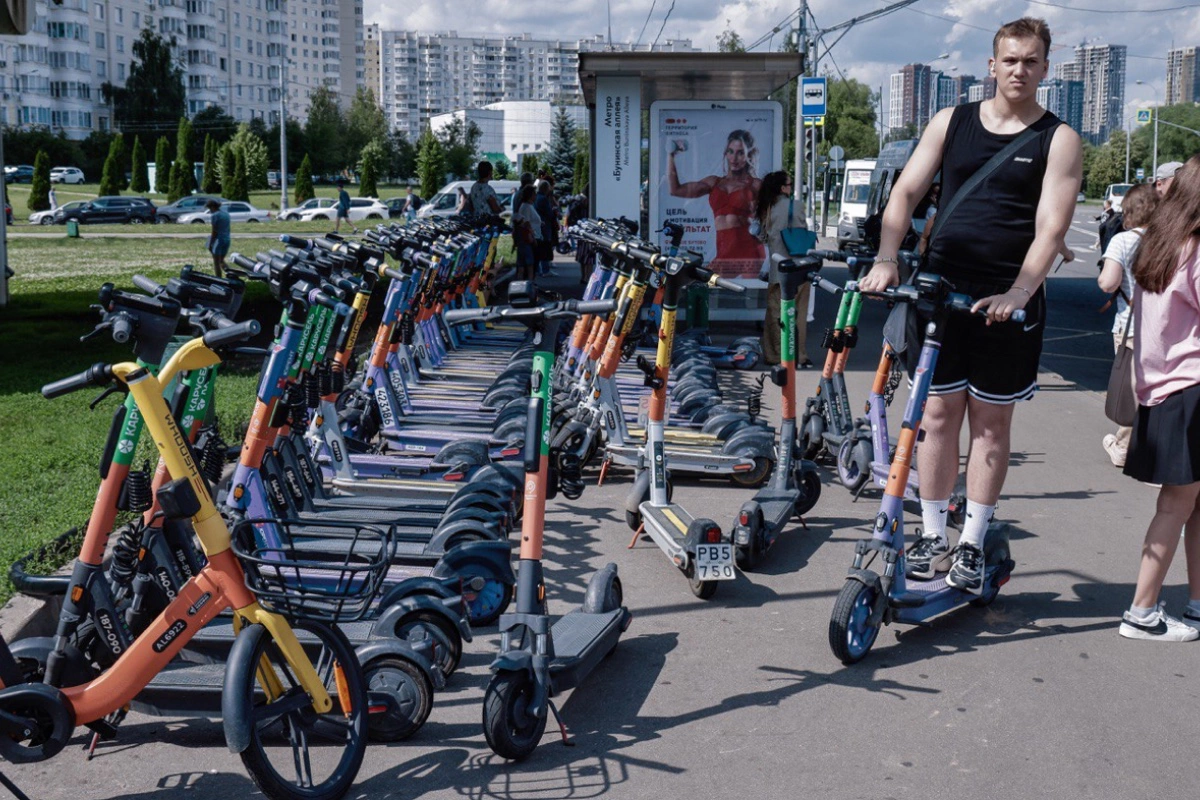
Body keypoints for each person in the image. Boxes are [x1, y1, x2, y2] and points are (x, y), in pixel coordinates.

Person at [858, 16, 1082, 593]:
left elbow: (1051, 228)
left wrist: (1018, 292)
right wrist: (887, 257)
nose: (1019, 70)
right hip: (940, 285)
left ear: (1045, 69)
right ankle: (933, 532)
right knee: (935, 417)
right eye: (1010, 59)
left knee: (990, 424)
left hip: (1007, 298)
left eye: (1031, 61)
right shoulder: (951, 121)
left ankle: (972, 542)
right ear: (992, 64)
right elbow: (906, 191)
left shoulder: (1057, 138)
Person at [1117, 154, 1200, 642]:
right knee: (1177, 505)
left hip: (1164, 387)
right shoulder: (1194, 249)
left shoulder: (1161, 245)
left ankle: (1194, 604)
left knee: (1190, 504)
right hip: (1190, 387)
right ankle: (1142, 612)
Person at [1097, 183, 1160, 468]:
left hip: (1133, 326)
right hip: (1170, 328)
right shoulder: (1171, 240)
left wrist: (1105, 282)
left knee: (1135, 390)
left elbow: (1109, 282)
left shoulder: (1122, 241)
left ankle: (1124, 446)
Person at [668, 129, 766, 275]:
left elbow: (774, 211)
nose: (734, 158)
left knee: (749, 295)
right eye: (731, 151)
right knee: (705, 286)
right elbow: (675, 190)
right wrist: (671, 155)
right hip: (724, 253)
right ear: (726, 153)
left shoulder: (756, 185)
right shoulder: (714, 182)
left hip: (749, 250)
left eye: (740, 153)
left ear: (748, 156)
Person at [755, 170, 813, 368]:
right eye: (789, 184)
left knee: (775, 313)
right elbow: (802, 230)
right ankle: (800, 355)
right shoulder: (796, 206)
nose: (792, 187)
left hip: (778, 270)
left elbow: (762, 237)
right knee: (799, 314)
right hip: (800, 267)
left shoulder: (767, 208)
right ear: (782, 188)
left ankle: (774, 355)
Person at [512, 184, 542, 282]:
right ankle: (528, 284)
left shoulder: (529, 206)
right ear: (530, 195)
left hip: (528, 238)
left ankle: (525, 283)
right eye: (534, 194)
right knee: (529, 263)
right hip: (528, 239)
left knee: (525, 263)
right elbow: (527, 223)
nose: (536, 196)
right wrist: (532, 237)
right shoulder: (526, 207)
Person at [533, 181, 557, 277]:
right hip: (544, 226)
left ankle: (538, 269)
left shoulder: (536, 197)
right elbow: (549, 213)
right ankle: (545, 269)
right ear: (545, 189)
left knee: (539, 248)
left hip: (537, 226)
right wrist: (554, 213)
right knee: (545, 248)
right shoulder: (543, 199)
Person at [206, 199, 231, 278]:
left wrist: (210, 244)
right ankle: (231, 275)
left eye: (210, 208)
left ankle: (219, 279)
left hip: (218, 240)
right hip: (227, 239)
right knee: (221, 260)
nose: (210, 211)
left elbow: (214, 231)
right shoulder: (226, 214)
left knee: (216, 262)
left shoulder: (215, 215)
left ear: (213, 207)